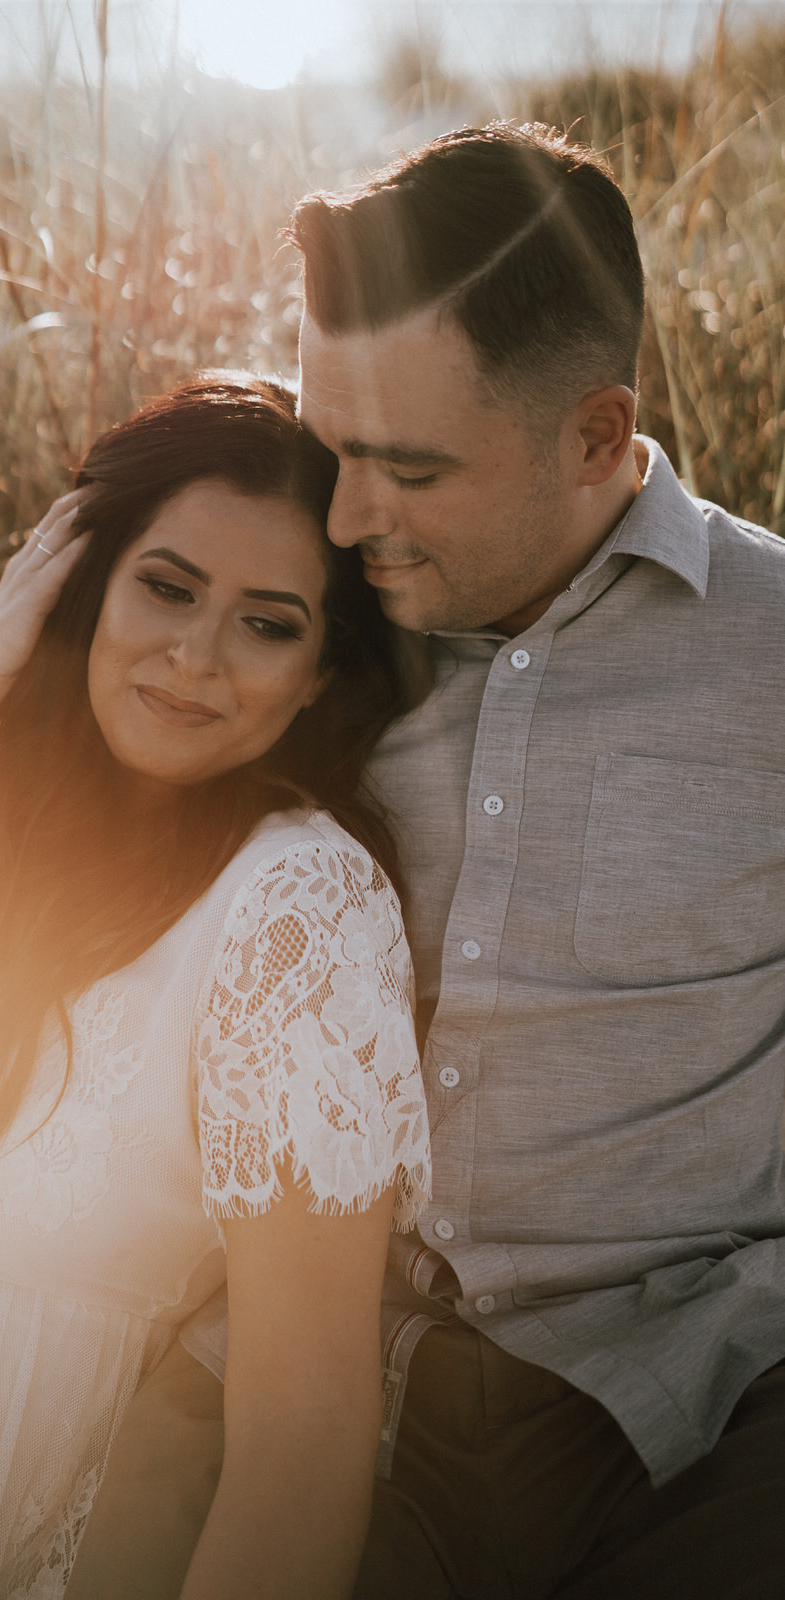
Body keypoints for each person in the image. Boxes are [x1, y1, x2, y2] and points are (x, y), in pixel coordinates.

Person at [68, 125, 785, 1599]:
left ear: (593, 436)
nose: (340, 518)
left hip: (677, 1395)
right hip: (289, 1350)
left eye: (405, 470)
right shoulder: (289, 615)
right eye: (329, 447)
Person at [0, 375, 433, 1600]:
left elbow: (301, 1442)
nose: (194, 657)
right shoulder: (7, 829)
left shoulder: (298, 910)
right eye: (165, 586)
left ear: (321, 672)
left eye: (268, 624)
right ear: (82, 583)